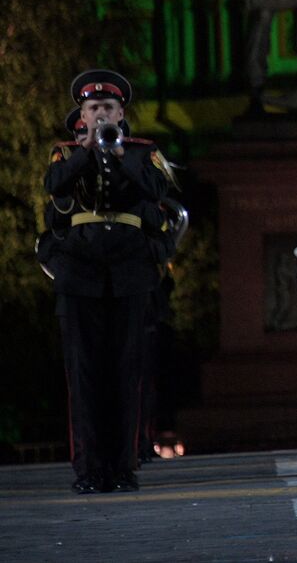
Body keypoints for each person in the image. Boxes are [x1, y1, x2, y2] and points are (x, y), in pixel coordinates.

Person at [45, 70, 172, 493]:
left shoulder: (142, 151)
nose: (101, 114)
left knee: (126, 370)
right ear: (82, 114)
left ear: (122, 112)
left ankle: (122, 467)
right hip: (80, 270)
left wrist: (118, 155)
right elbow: (55, 187)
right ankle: (88, 468)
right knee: (83, 373)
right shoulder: (65, 152)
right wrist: (85, 150)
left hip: (129, 269)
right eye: (94, 108)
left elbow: (156, 189)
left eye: (108, 108)